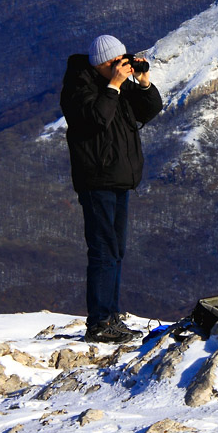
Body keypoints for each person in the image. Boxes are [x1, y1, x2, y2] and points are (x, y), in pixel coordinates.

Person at [59, 34, 163, 344]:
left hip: (119, 180)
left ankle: (112, 316)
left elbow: (149, 110)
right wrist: (114, 85)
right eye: (115, 63)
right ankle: (99, 322)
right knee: (103, 250)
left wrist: (143, 83)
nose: (121, 66)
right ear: (103, 64)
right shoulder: (78, 89)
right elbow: (96, 118)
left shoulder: (117, 86)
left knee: (116, 250)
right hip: (97, 181)